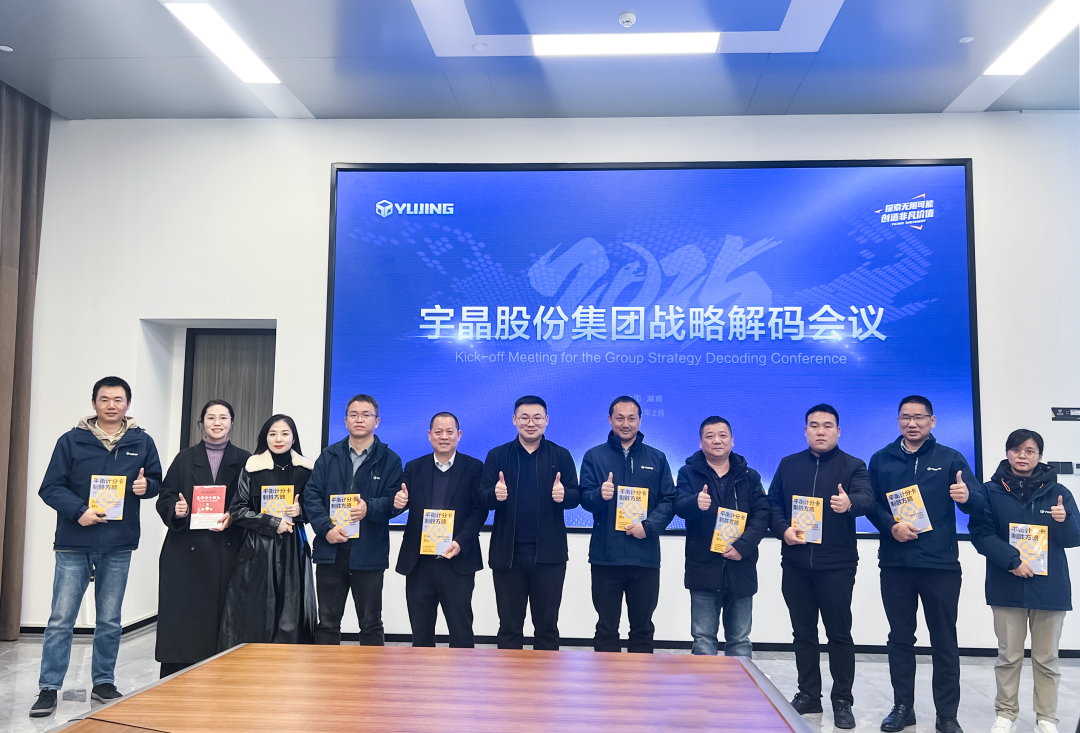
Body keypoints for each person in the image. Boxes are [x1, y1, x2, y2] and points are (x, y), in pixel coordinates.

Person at [31, 376, 162, 718]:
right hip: (74, 541)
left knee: (110, 620)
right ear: (94, 403)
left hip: (118, 543)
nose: (111, 405)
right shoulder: (71, 441)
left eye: (118, 399)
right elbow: (50, 487)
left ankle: (103, 682)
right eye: (104, 399)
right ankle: (48, 687)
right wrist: (79, 511)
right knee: (61, 619)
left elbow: (156, 483)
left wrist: (146, 487)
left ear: (128, 404)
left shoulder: (142, 441)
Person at [867, 396, 982, 733]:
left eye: (919, 417)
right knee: (900, 638)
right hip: (896, 564)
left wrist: (967, 497)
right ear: (898, 421)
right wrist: (891, 526)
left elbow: (978, 501)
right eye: (906, 417)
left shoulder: (950, 458)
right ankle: (903, 707)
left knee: (944, 640)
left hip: (940, 565)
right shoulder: (881, 459)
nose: (912, 423)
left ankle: (947, 715)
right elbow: (870, 504)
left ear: (932, 421)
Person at [766, 404, 874, 729]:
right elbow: (772, 504)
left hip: (836, 565)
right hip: (796, 563)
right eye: (814, 425)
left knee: (839, 634)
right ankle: (808, 695)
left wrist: (850, 503)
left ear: (838, 431)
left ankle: (842, 700)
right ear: (805, 431)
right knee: (803, 633)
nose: (821, 431)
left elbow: (868, 498)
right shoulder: (788, 464)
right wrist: (783, 529)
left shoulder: (854, 466)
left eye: (828, 426)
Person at [970, 429, 1080, 733]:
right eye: (1016, 450)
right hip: (1006, 584)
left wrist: (1065, 521)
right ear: (1007, 453)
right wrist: (1012, 561)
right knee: (1008, 656)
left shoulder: (1058, 492)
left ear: (1039, 456)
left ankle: (1046, 718)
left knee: (1047, 659)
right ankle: (1006, 714)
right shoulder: (989, 491)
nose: (1022, 456)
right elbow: (981, 534)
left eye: (1030, 451)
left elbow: (1074, 538)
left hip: (1050, 588)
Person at [154, 399, 250, 678]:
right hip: (186, 553)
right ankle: (179, 678)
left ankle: (223, 678)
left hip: (229, 549)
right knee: (184, 620)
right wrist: (177, 509)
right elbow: (166, 496)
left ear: (232, 422)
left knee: (227, 620)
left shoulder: (245, 460)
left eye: (223, 417)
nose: (217, 423)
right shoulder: (184, 459)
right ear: (202, 422)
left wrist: (234, 515)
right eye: (211, 417)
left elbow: (252, 502)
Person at [478, 395, 580, 650]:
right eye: (524, 417)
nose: (531, 423)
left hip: (549, 556)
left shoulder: (561, 455)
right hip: (508, 555)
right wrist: (495, 495)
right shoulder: (498, 455)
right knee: (509, 627)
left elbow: (576, 496)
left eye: (537, 418)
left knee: (547, 628)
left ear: (546, 420)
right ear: (514, 420)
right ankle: (510, 676)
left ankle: (546, 676)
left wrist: (565, 495)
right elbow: (481, 498)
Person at [303, 394, 403, 645]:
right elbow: (311, 496)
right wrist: (326, 529)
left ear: (377, 421)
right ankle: (326, 671)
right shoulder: (329, 455)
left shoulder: (390, 459)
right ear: (346, 420)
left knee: (371, 624)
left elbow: (395, 502)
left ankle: (371, 672)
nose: (360, 419)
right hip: (331, 550)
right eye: (354, 415)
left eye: (366, 415)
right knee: (327, 623)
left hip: (369, 552)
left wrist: (369, 508)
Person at [579, 395, 675, 653]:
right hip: (606, 557)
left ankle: (639, 680)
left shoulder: (657, 458)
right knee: (606, 628)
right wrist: (600, 495)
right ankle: (606, 679)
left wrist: (649, 526)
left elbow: (669, 500)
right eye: (619, 418)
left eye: (631, 418)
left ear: (640, 420)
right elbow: (584, 499)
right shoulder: (594, 456)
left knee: (642, 629)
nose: (625, 424)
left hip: (644, 558)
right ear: (610, 419)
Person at [673, 415, 769, 657]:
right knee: (703, 641)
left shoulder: (750, 476)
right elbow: (679, 507)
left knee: (740, 641)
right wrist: (695, 503)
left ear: (732, 440)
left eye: (722, 435)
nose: (717, 440)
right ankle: (705, 684)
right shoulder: (687, 473)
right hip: (703, 569)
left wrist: (742, 547)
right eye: (710, 436)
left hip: (741, 568)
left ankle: (740, 684)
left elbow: (763, 515)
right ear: (700, 442)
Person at [218, 414, 316, 648]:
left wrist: (301, 511)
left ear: (293, 438)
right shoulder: (252, 468)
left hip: (294, 547)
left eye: (284, 434)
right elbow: (238, 510)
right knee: (258, 611)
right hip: (258, 549)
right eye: (273, 434)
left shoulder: (306, 470)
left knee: (292, 612)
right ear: (265, 438)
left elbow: (317, 509)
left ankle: (291, 664)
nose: (278, 439)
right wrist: (272, 523)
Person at [394, 412, 486, 647]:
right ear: (429, 435)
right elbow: (398, 500)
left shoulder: (474, 467)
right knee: (421, 632)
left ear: (459, 435)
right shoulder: (414, 467)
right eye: (438, 432)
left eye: (449, 432)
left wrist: (461, 541)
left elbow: (479, 511)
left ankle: (462, 672)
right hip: (419, 563)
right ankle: (422, 671)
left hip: (457, 561)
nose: (444, 436)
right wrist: (398, 501)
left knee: (461, 629)